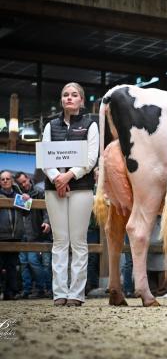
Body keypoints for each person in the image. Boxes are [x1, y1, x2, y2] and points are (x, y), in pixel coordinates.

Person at [42, 82, 99, 307]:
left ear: (81, 101)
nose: (69, 98)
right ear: (61, 100)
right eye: (65, 94)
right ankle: (59, 293)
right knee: (59, 242)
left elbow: (91, 158)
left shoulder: (90, 125)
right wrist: (57, 177)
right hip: (53, 189)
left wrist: (69, 176)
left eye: (74, 95)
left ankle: (76, 293)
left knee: (78, 242)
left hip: (81, 189)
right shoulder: (50, 126)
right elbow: (46, 157)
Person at [15, 171, 52, 299]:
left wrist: (46, 222)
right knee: (24, 263)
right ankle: (29, 289)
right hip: (22, 234)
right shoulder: (16, 193)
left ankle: (43, 288)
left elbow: (46, 209)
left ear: (29, 179)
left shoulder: (39, 191)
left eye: (24, 181)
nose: (23, 184)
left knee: (35, 262)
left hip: (37, 233)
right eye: (20, 183)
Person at [0, 170, 28, 300]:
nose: (5, 181)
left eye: (7, 179)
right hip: (1, 236)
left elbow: (26, 212)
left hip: (15, 236)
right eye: (2, 179)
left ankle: (10, 293)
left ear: (12, 181)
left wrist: (27, 200)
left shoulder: (19, 196)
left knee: (12, 266)